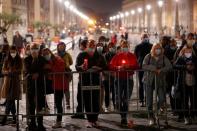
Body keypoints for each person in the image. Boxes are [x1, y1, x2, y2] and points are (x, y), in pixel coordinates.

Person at [110, 40, 139, 127]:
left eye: (126, 46)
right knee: (118, 98)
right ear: (121, 47)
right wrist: (118, 67)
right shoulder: (117, 56)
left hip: (128, 80)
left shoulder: (132, 56)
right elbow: (111, 66)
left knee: (126, 99)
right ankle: (121, 112)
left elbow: (137, 66)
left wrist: (129, 67)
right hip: (119, 79)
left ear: (128, 47)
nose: (125, 47)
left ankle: (124, 117)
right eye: (123, 46)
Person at [77, 40, 106, 128]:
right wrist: (81, 67)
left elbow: (105, 65)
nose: (92, 47)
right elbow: (77, 66)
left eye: (93, 45)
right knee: (87, 100)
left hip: (95, 80)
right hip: (85, 80)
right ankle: (90, 120)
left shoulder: (99, 55)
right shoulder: (82, 55)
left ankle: (95, 119)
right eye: (90, 45)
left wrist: (98, 68)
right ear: (87, 46)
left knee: (95, 100)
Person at [142, 43, 172, 126]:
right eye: (156, 48)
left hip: (159, 81)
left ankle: (157, 110)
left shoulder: (163, 57)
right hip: (148, 80)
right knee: (149, 101)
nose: (158, 50)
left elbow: (169, 66)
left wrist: (161, 70)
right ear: (153, 49)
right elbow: (143, 66)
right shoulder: (148, 56)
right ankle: (151, 117)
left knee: (162, 98)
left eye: (159, 48)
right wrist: (153, 68)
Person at [42, 48, 69, 128]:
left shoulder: (57, 59)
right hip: (56, 84)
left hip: (60, 84)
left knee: (58, 103)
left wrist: (50, 67)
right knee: (57, 103)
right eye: (44, 54)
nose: (46, 55)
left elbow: (60, 69)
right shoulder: (50, 61)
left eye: (47, 53)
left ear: (50, 52)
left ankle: (59, 121)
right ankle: (58, 120)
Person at [24, 43, 48, 131]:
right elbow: (28, 70)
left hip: (40, 84)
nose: (34, 50)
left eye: (36, 48)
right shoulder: (27, 59)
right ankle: (32, 123)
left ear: (39, 49)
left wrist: (38, 73)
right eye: (32, 48)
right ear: (30, 49)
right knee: (31, 105)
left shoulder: (42, 59)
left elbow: (45, 69)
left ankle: (40, 124)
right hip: (31, 85)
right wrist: (34, 60)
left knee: (40, 105)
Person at [174, 46, 196, 125]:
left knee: (194, 100)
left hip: (193, 82)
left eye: (190, 51)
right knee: (185, 101)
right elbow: (175, 65)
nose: (188, 53)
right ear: (183, 51)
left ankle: (193, 116)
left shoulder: (194, 58)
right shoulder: (181, 58)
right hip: (183, 83)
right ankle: (186, 117)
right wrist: (185, 67)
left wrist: (194, 67)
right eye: (187, 51)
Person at [0, 46, 22, 126]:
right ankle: (14, 118)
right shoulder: (7, 59)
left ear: (16, 51)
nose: (13, 53)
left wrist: (14, 71)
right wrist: (8, 71)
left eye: (14, 52)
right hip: (8, 82)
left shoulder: (19, 60)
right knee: (11, 100)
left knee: (10, 100)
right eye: (11, 52)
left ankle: (5, 118)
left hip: (15, 83)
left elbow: (20, 70)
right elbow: (3, 70)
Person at [134, 34, 152, 107]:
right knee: (141, 84)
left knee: (149, 84)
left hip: (149, 67)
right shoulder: (138, 47)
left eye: (146, 37)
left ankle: (148, 100)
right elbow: (136, 56)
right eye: (144, 37)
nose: (145, 38)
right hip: (141, 67)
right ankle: (142, 100)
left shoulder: (151, 46)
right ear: (141, 38)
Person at [71, 39, 88, 119]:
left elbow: (77, 66)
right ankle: (84, 113)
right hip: (87, 78)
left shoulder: (81, 54)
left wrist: (80, 67)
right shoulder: (92, 54)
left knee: (81, 96)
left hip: (84, 79)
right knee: (82, 96)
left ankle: (81, 113)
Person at [57, 42, 73, 109]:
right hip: (58, 74)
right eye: (60, 46)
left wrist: (66, 65)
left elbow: (71, 62)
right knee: (58, 89)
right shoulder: (56, 55)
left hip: (66, 73)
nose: (61, 47)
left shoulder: (67, 54)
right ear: (58, 47)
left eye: (63, 46)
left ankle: (67, 102)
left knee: (66, 89)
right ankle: (58, 103)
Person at [103, 42, 116, 112]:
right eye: (110, 47)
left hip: (114, 77)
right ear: (108, 48)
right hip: (107, 77)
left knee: (114, 92)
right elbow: (104, 67)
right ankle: (107, 106)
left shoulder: (116, 55)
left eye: (112, 47)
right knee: (107, 93)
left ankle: (115, 105)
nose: (111, 48)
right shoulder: (105, 56)